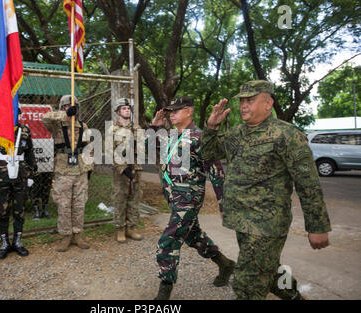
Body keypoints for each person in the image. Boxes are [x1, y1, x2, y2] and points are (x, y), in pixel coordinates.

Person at [202, 80, 332, 300]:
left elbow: (307, 183)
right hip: (242, 220)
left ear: (268, 103)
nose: (244, 105)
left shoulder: (286, 135)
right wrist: (211, 127)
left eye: (250, 100)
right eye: (242, 101)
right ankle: (293, 296)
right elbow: (208, 153)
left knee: (247, 284)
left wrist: (317, 226)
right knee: (268, 269)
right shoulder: (237, 133)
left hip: (266, 224)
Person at [150, 97, 235, 300]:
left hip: (189, 198)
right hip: (173, 197)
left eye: (176, 111)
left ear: (188, 111)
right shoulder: (170, 135)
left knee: (168, 240)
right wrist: (154, 127)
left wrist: (224, 204)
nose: (171, 114)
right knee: (193, 235)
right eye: (170, 111)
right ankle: (225, 264)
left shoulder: (200, 137)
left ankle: (164, 291)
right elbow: (148, 147)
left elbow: (216, 172)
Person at [0, 110, 37, 260]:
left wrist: (31, 174)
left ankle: (17, 241)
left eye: (15, 112)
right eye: (9, 111)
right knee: (2, 209)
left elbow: (29, 153)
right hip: (1, 175)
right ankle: (4, 242)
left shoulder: (24, 130)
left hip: (20, 173)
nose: (12, 115)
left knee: (19, 209)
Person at [41, 95, 93, 252]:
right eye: (66, 106)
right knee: (64, 204)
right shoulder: (56, 124)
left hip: (80, 169)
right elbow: (45, 117)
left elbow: (89, 148)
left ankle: (77, 234)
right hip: (63, 170)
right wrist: (65, 114)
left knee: (79, 203)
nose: (70, 108)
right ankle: (66, 236)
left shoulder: (83, 126)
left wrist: (89, 167)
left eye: (73, 106)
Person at [109, 98, 143, 243]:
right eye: (123, 108)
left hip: (136, 167)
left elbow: (142, 149)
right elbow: (110, 152)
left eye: (128, 108)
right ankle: (120, 229)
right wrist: (123, 169)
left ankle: (131, 227)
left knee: (134, 198)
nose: (126, 110)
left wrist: (135, 147)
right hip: (120, 171)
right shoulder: (112, 129)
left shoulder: (137, 128)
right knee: (120, 199)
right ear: (118, 112)